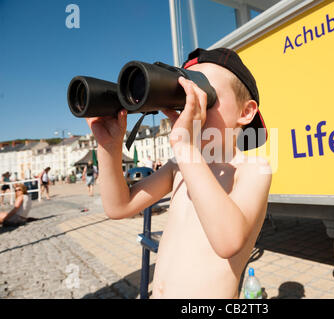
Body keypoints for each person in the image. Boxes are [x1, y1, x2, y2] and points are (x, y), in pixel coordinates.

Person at [85, 48, 271, 298]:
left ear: (245, 112)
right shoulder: (178, 167)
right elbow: (119, 207)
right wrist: (109, 146)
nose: (192, 106)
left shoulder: (253, 169)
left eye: (205, 95)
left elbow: (228, 241)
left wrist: (185, 146)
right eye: (184, 96)